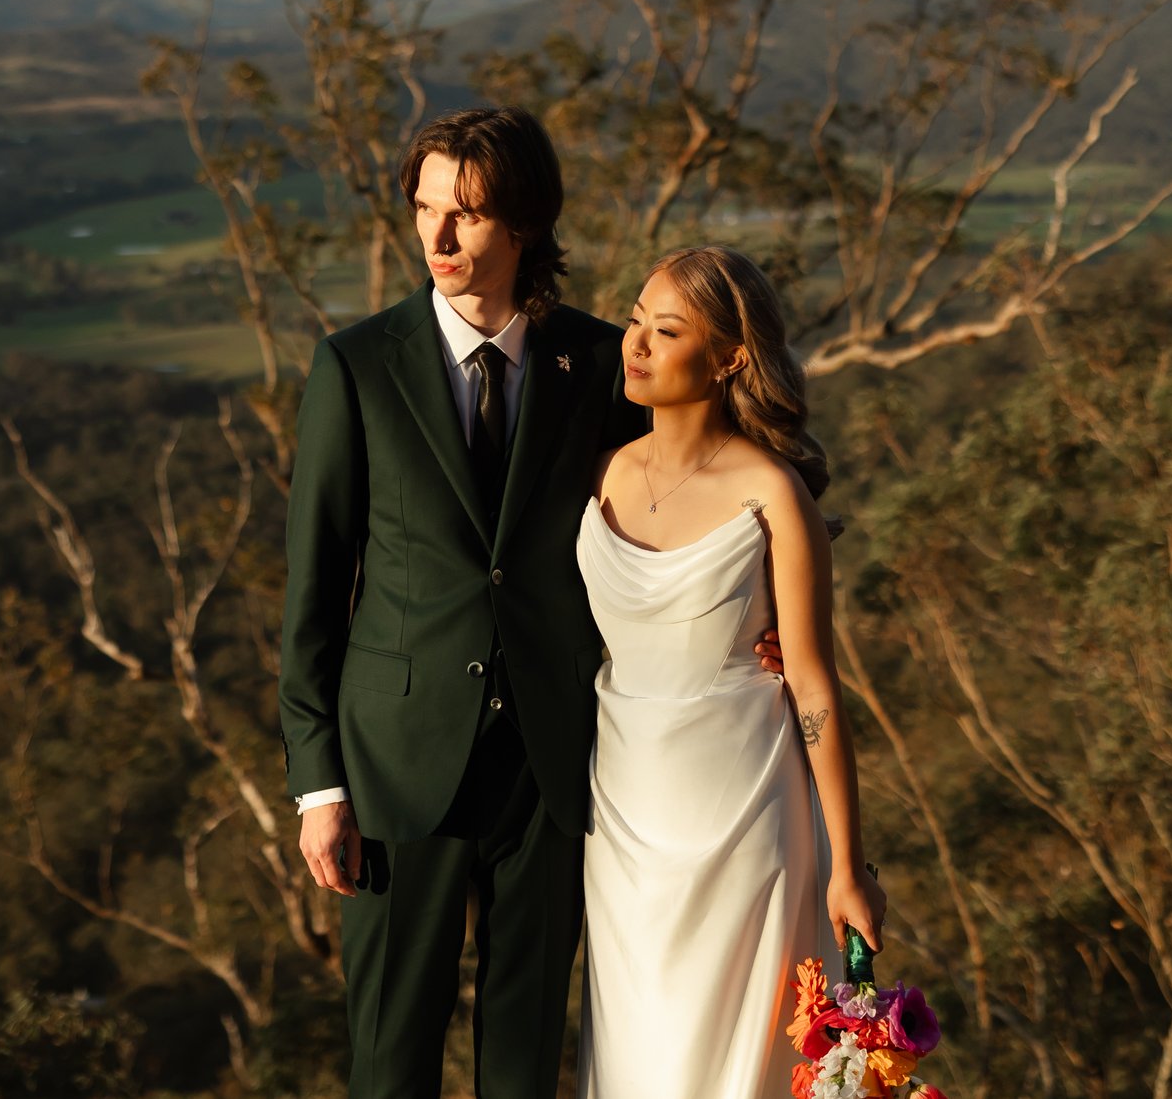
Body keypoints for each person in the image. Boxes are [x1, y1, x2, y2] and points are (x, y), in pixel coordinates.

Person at [279, 107, 782, 1099]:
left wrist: (758, 610)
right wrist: (318, 783)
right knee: (391, 1057)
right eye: (424, 209)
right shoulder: (354, 366)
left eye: (464, 213)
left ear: (525, 222)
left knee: (522, 1062)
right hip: (395, 766)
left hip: (555, 764)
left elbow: (695, 478)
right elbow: (314, 588)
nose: (437, 237)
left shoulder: (599, 361)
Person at [576, 244, 886, 1099]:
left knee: (729, 1062)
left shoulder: (773, 493)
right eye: (635, 319)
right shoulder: (596, 470)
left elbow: (816, 687)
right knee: (640, 1051)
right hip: (621, 818)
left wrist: (847, 865)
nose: (636, 343)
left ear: (728, 357)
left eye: (666, 330)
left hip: (745, 811)